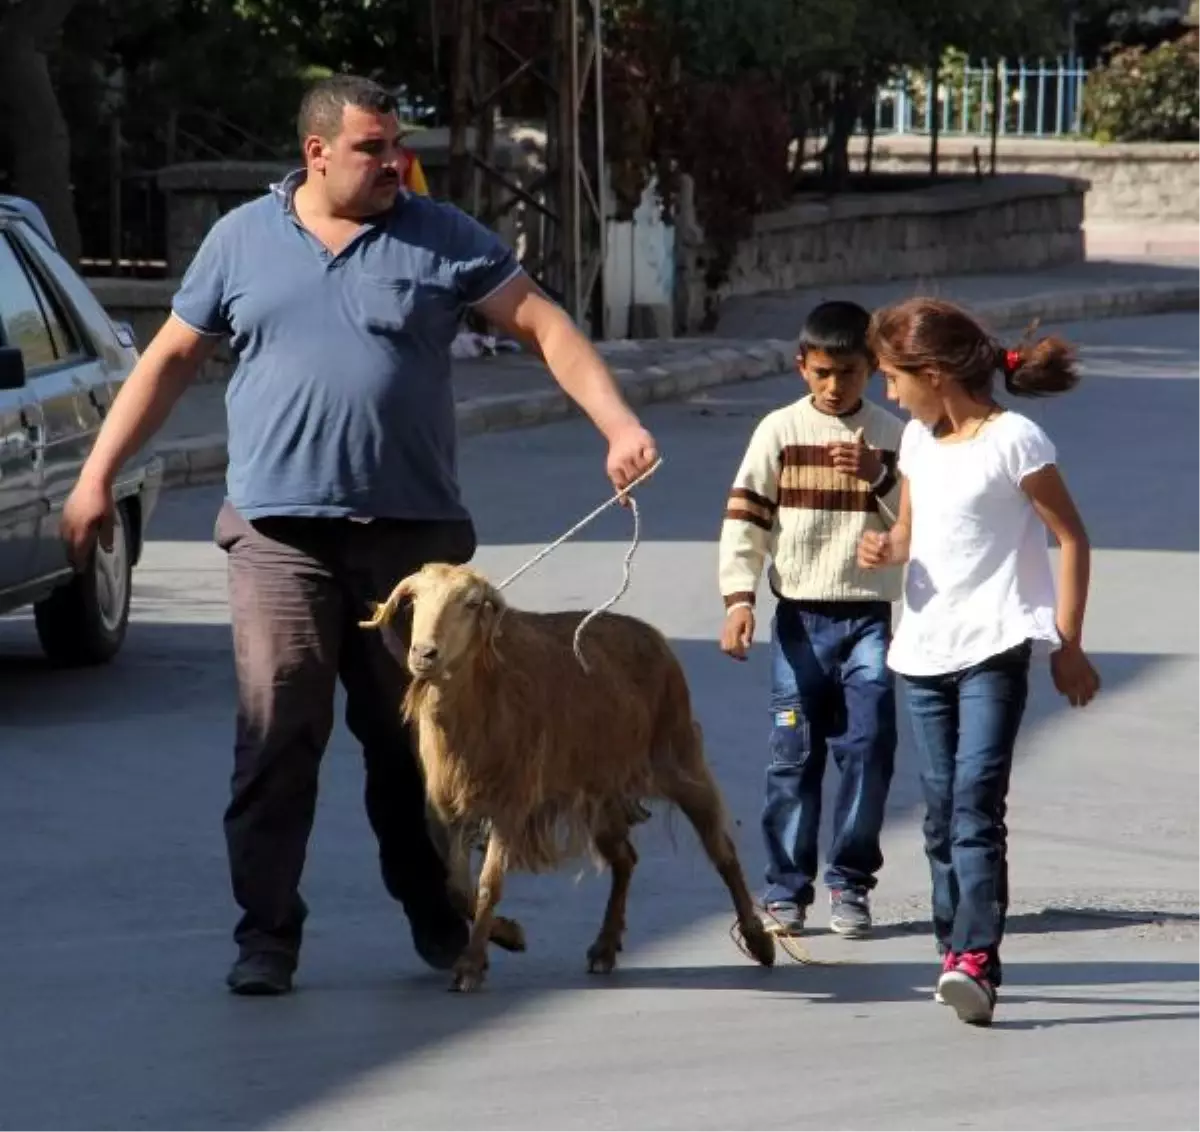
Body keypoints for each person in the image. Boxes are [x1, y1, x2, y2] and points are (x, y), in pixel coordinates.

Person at [60, 73, 658, 997]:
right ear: (317, 153)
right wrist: (96, 476)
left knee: (416, 737)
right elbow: (170, 360)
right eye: (374, 148)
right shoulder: (240, 242)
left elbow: (542, 324)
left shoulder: (442, 236)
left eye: (398, 146)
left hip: (414, 550)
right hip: (277, 538)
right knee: (277, 732)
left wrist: (617, 424)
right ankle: (267, 936)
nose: (395, 163)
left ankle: (434, 909)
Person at [857, 297, 1101, 1026]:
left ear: (932, 373)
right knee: (938, 814)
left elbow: (1073, 539)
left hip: (996, 646)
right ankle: (951, 946)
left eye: (891, 379)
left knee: (973, 806)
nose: (887, 393)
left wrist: (1068, 643)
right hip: (925, 652)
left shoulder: (1016, 441)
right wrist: (886, 549)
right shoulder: (918, 443)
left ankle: (975, 958)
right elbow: (912, 532)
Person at [718, 300, 905, 941]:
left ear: (872, 368)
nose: (834, 386)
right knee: (792, 756)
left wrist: (880, 477)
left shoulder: (892, 435)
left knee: (869, 745)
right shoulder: (778, 432)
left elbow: (917, 522)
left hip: (868, 622)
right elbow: (746, 518)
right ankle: (785, 889)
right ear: (802, 367)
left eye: (848, 372)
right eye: (822, 372)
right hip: (799, 622)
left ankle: (850, 882)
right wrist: (738, 599)